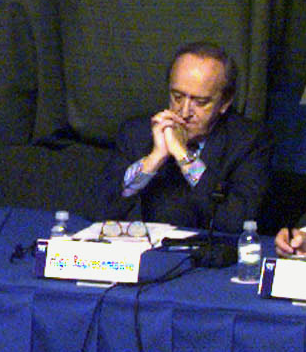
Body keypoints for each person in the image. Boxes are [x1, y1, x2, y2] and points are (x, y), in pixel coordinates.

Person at [91, 42, 270, 233]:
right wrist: (154, 159)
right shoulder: (138, 132)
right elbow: (100, 211)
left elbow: (237, 221)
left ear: (225, 102)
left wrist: (182, 155)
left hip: (212, 255)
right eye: (177, 97)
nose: (184, 112)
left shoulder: (249, 140)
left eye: (200, 102)